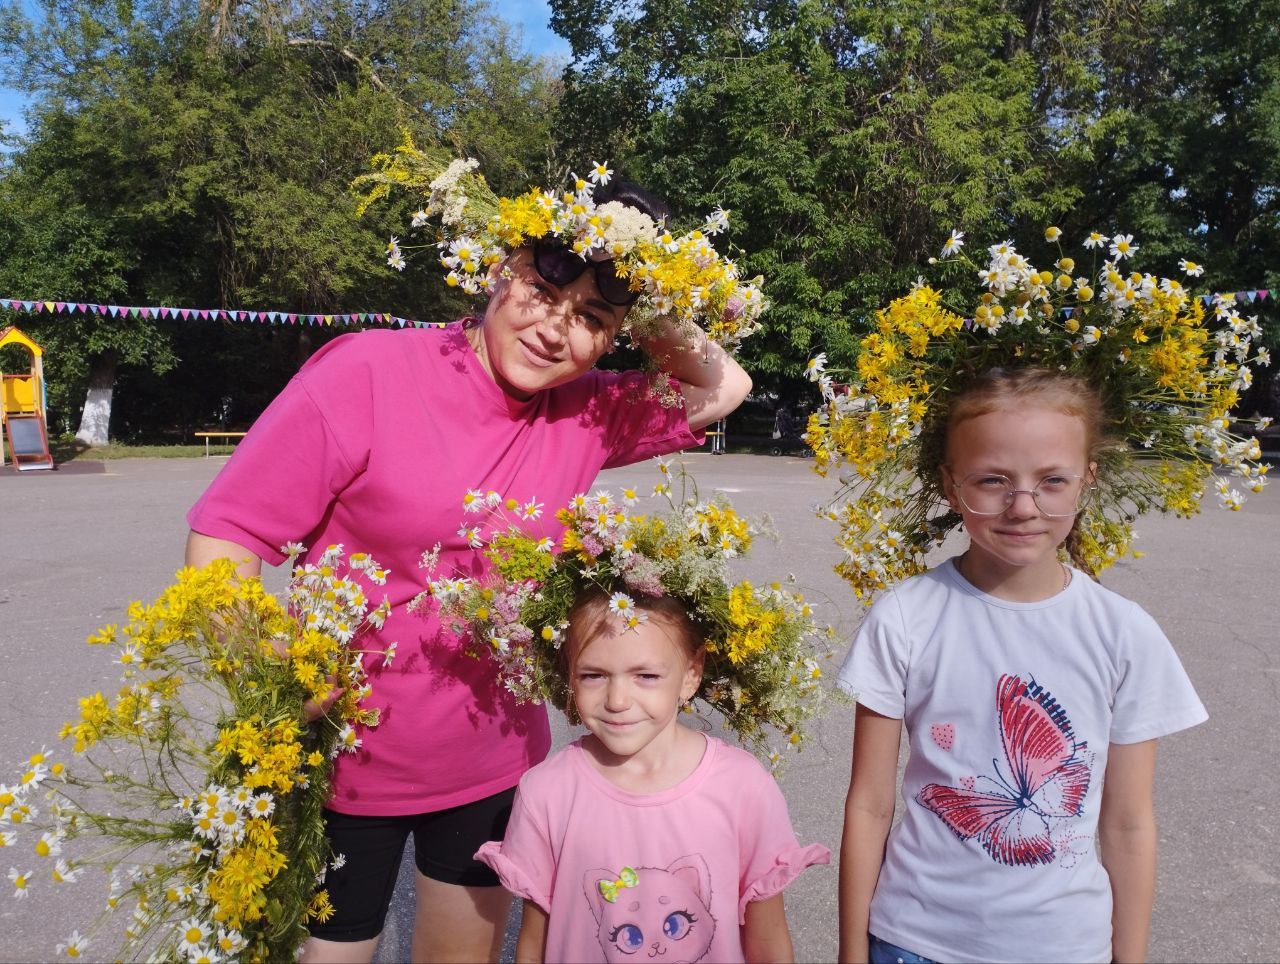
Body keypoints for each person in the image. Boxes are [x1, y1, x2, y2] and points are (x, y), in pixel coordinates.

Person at [184, 177, 753, 963]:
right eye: (543, 292)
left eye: (592, 320)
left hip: (488, 763)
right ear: (498, 269)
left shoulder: (586, 410)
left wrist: (647, 285)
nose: (557, 331)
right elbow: (227, 535)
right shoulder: (369, 372)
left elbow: (724, 387)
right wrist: (268, 670)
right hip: (340, 763)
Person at [837, 368, 1208, 964]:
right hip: (913, 940)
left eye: (1052, 480)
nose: (1023, 506)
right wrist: (852, 953)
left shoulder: (1122, 632)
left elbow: (1129, 824)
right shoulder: (905, 617)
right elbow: (870, 803)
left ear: (1087, 481)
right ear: (950, 484)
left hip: (1067, 946)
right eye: (993, 480)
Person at [475, 590, 829, 964]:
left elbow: (768, 942)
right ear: (569, 673)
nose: (617, 699)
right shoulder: (546, 793)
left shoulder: (743, 788)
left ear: (691, 674)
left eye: (645, 675)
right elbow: (534, 943)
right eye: (593, 675)